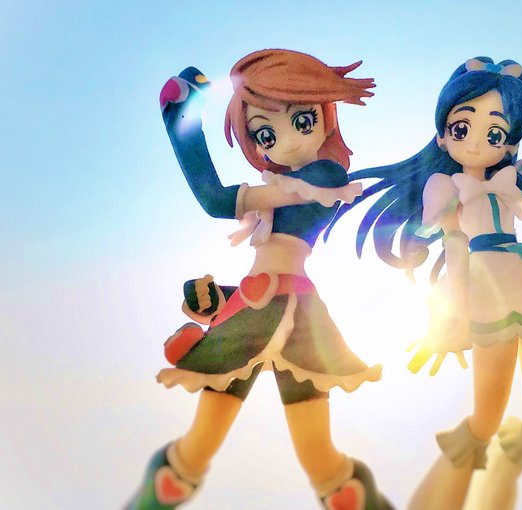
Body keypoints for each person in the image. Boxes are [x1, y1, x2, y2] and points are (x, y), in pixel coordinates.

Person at [330, 56, 522, 510]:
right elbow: (453, 248)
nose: (475, 142)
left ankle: (513, 463)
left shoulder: (509, 177)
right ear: (442, 135)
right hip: (486, 283)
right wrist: (452, 316)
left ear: (509, 143)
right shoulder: (445, 187)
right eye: (461, 127)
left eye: (495, 134)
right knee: (485, 420)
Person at [126, 49, 392, 510]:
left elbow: (215, 200)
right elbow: (265, 270)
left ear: (326, 116)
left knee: (320, 461)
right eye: (265, 133)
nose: (284, 143)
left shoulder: (324, 177)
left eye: (302, 121)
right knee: (197, 449)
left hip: (291, 314)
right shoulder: (281, 193)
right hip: (258, 307)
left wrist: (181, 122)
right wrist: (217, 300)